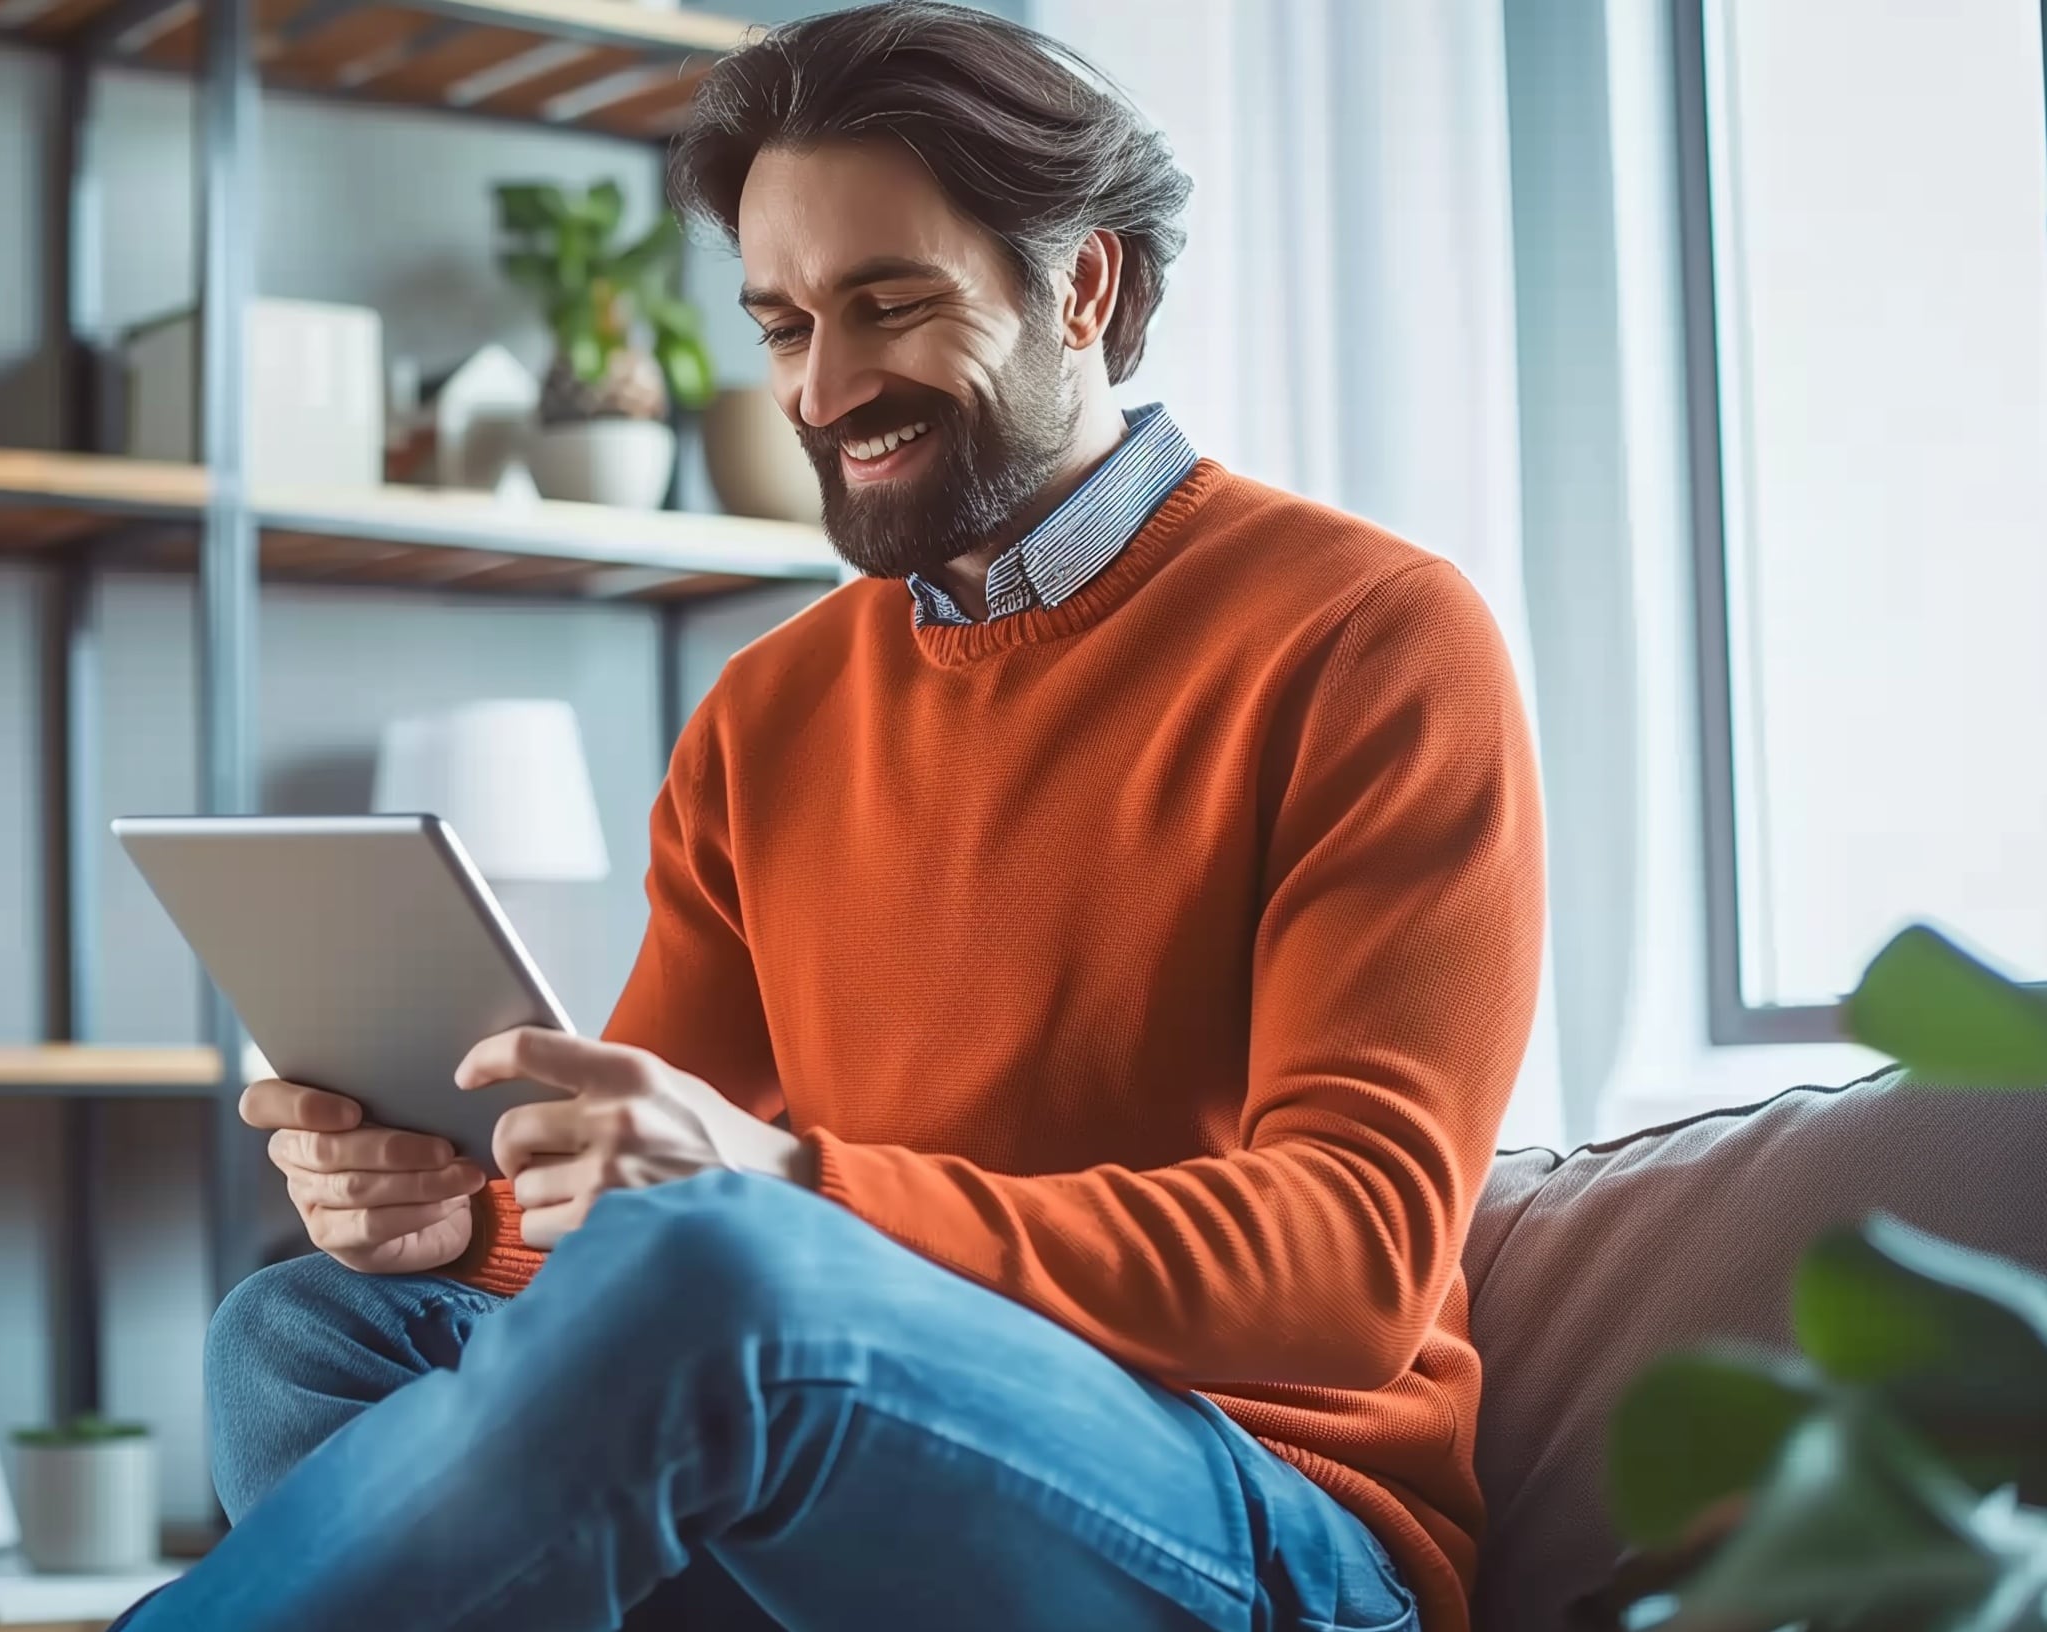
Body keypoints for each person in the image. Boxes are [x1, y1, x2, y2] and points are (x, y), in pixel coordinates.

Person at [120, 4, 1540, 1627]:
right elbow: (643, 1202)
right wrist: (456, 1217)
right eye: (785, 324)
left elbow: (1353, 1267)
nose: (825, 386)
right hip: (858, 1447)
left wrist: (791, 1194)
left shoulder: (1370, 636)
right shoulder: (766, 715)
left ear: (1082, 287)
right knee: (302, 1330)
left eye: (890, 306)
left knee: (730, 1274)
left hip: (1263, 1506)